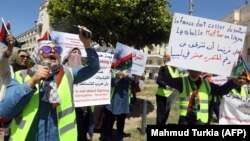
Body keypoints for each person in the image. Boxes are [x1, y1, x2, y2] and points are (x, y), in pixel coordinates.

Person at [0, 27, 100, 141]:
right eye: (46, 49)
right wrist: (32, 81)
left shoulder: (69, 73)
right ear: (37, 54)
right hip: (29, 137)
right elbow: (5, 111)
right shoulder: (21, 75)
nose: (53, 51)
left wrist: (87, 44)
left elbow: (94, 67)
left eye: (57, 49)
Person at [161, 54, 247, 125]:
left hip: (202, 121)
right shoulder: (181, 81)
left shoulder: (207, 84)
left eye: (197, 68)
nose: (195, 70)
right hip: (185, 120)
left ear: (201, 71)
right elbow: (169, 80)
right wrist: (165, 66)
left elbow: (221, 90)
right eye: (192, 67)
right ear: (188, 69)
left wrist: (233, 82)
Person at [63, 47, 94, 141]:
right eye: (74, 52)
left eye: (79, 52)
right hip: (68, 108)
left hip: (84, 108)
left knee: (82, 132)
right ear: (68, 56)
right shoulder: (62, 70)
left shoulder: (86, 70)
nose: (76, 54)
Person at [102, 69, 132, 141]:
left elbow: (133, 84)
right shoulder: (111, 70)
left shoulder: (129, 71)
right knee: (109, 122)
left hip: (124, 101)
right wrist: (119, 77)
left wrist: (137, 78)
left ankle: (119, 137)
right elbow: (109, 83)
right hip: (112, 101)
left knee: (121, 122)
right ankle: (107, 137)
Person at [0, 34, 15, 141]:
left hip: (7, 116)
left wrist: (9, 48)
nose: (25, 59)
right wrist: (9, 48)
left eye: (26, 57)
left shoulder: (8, 68)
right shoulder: (5, 66)